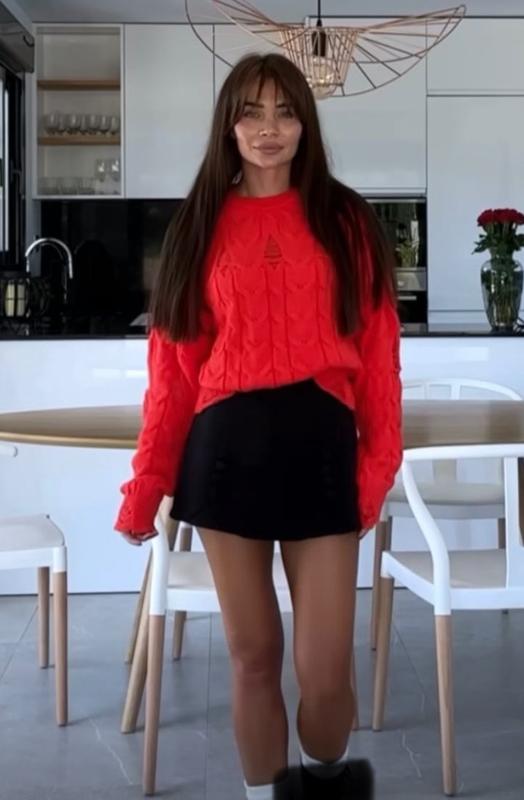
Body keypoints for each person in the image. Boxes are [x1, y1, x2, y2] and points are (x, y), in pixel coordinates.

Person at [114, 53, 402, 800]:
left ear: (305, 124)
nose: (268, 128)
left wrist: (377, 469)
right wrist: (146, 485)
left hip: (322, 449)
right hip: (225, 452)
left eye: (285, 111)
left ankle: (327, 778)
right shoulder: (197, 224)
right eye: (251, 112)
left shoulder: (345, 219)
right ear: (228, 126)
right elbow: (172, 375)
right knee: (252, 657)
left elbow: (379, 359)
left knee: (325, 671)